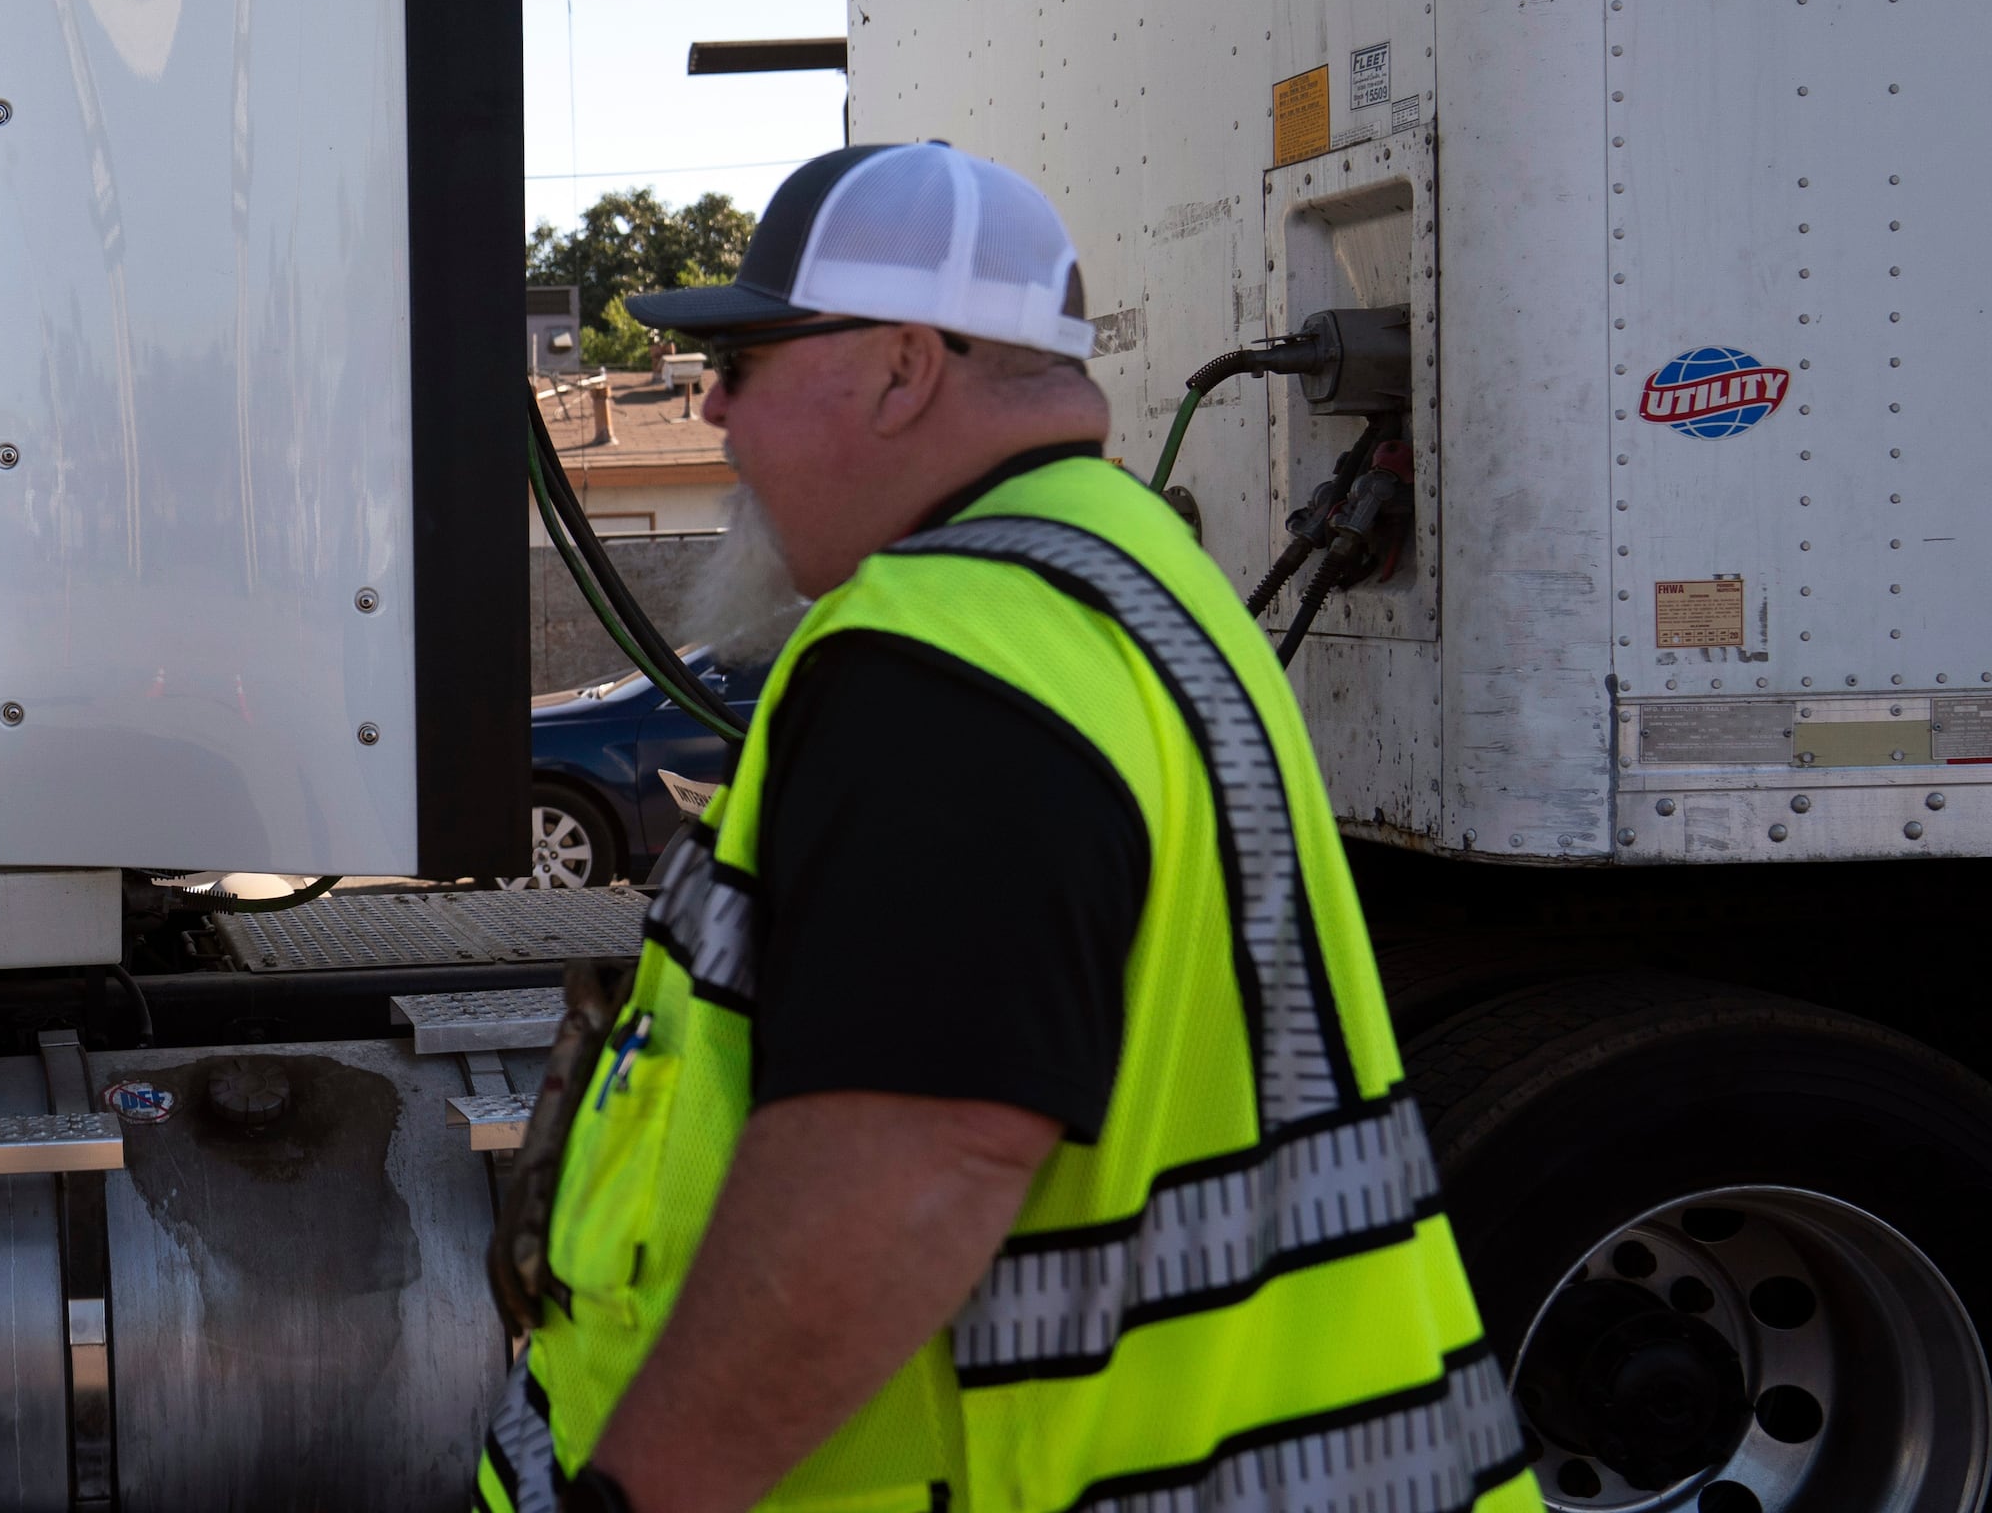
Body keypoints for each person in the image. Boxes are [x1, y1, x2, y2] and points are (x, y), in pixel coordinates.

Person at [475, 143, 1532, 1513]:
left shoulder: (944, 657)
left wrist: (638, 1496)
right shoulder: (1133, 581)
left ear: (905, 368)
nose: (718, 411)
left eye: (748, 363)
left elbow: (913, 1169)